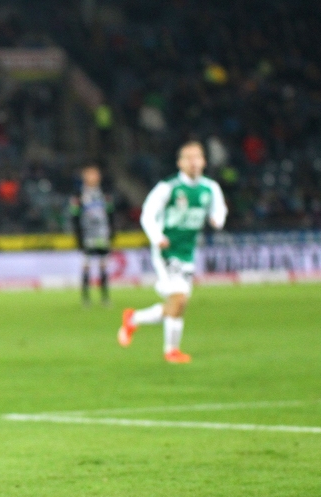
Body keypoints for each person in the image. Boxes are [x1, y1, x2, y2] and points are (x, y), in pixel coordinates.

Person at [117, 141, 227, 363]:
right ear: (180, 163)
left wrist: (218, 220)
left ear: (204, 161)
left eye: (198, 157)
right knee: (179, 299)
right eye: (189, 158)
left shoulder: (210, 188)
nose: (194, 162)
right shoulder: (168, 187)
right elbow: (147, 213)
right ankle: (171, 351)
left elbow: (220, 209)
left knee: (177, 304)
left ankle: (134, 319)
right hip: (167, 251)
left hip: (188, 252)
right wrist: (157, 237)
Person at [69, 164, 114, 305]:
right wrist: (78, 236)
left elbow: (111, 214)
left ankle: (105, 297)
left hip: (102, 234)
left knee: (103, 265)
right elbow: (74, 216)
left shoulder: (105, 194)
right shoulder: (79, 194)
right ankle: (86, 298)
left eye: (95, 174)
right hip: (87, 234)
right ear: (84, 177)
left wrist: (112, 232)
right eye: (90, 174)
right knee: (86, 264)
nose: (93, 177)